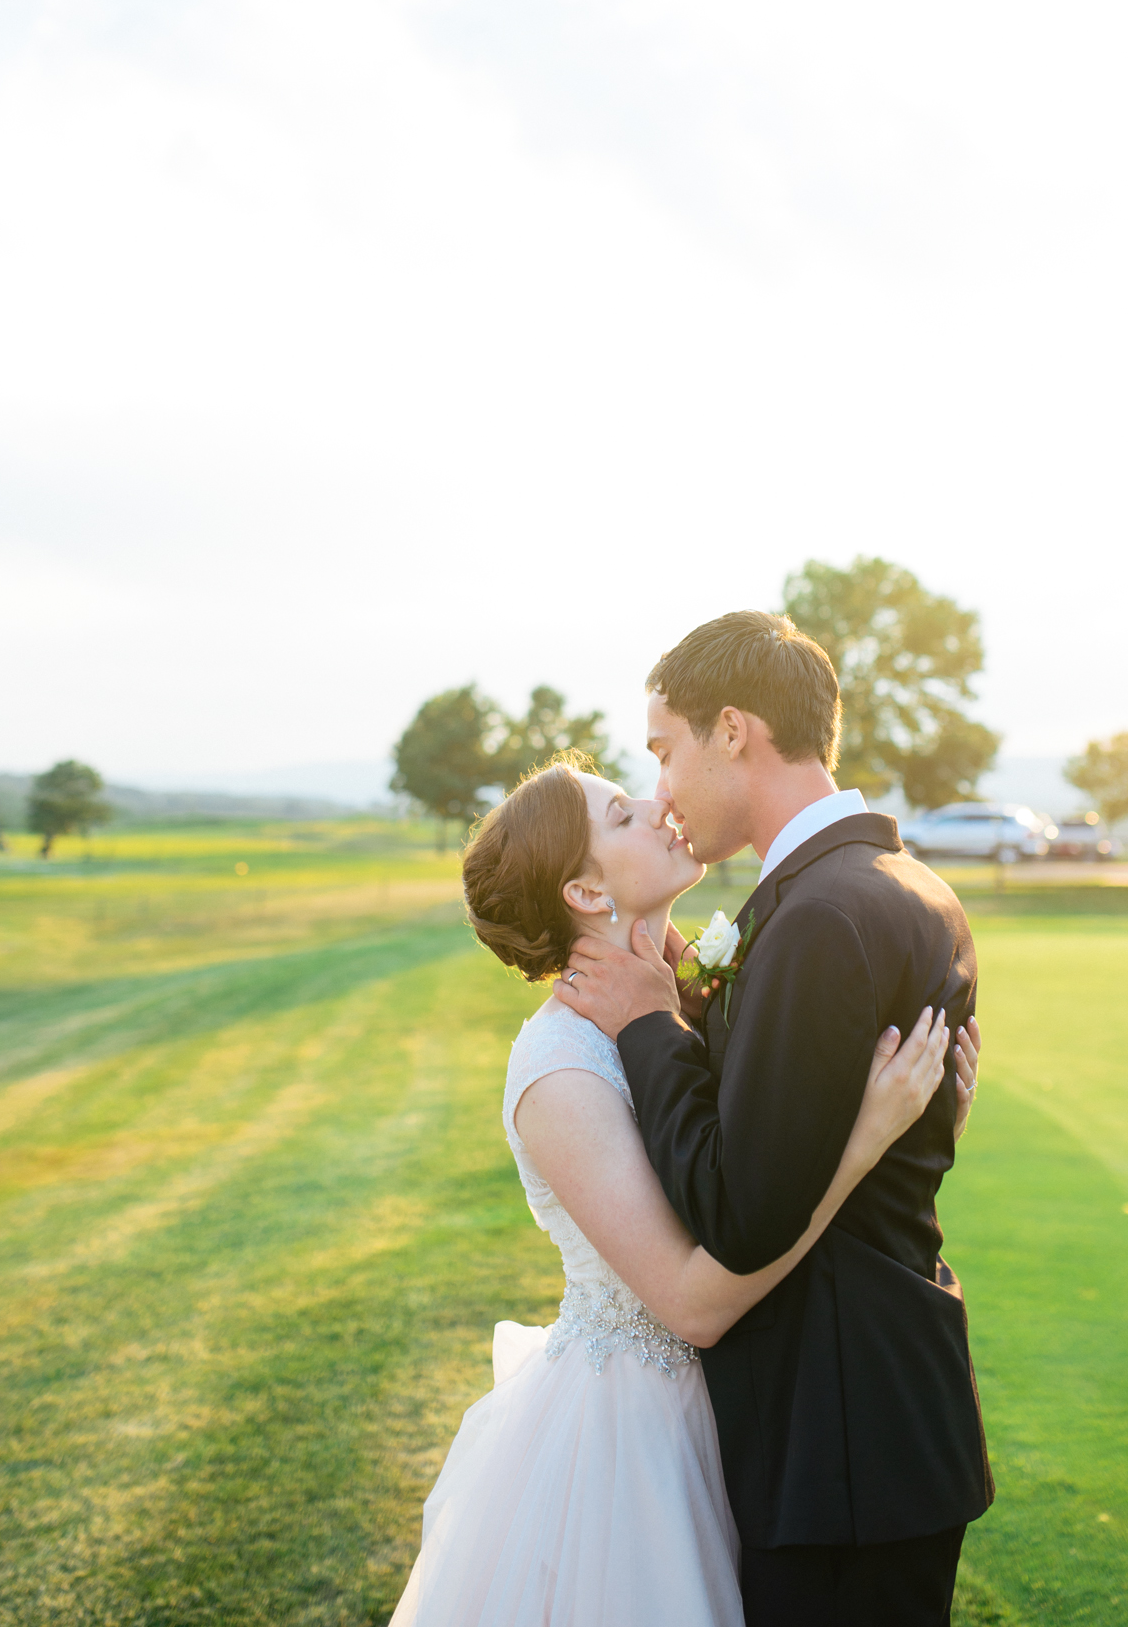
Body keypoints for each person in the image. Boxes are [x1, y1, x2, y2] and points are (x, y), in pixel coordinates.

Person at [390, 753, 978, 1626]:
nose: (659, 806)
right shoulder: (558, 1070)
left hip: (741, 1415)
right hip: (634, 1448)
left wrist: (930, 1126)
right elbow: (693, 1307)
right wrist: (862, 1144)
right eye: (623, 815)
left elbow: (756, 1175)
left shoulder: (683, 1004)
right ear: (586, 894)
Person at [558, 610, 994, 1627]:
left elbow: (741, 1212)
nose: (659, 784)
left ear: (733, 729)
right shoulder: (899, 886)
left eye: (663, 749)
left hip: (835, 1441)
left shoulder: (817, 916)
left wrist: (645, 1025)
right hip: (872, 1416)